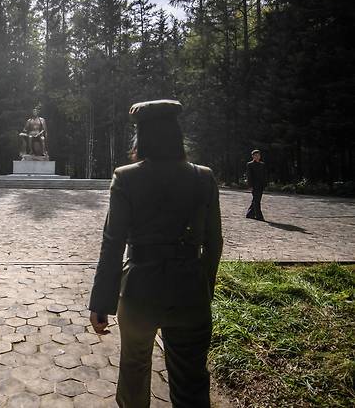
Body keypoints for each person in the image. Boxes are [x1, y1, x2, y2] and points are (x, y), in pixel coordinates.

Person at [88, 99, 223, 408]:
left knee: (134, 375)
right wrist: (205, 287)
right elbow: (214, 243)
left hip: (139, 291)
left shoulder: (126, 177)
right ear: (177, 134)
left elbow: (112, 244)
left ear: (141, 137)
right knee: (191, 382)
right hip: (190, 290)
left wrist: (101, 304)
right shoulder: (204, 177)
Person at [246, 149, 266, 221]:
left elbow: (264, 175)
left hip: (261, 185)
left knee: (256, 200)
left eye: (258, 155)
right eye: (255, 155)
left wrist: (264, 184)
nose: (257, 156)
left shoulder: (262, 164)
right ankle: (259, 216)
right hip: (254, 185)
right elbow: (249, 176)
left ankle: (249, 214)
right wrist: (250, 186)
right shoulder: (250, 164)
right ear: (253, 156)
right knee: (256, 200)